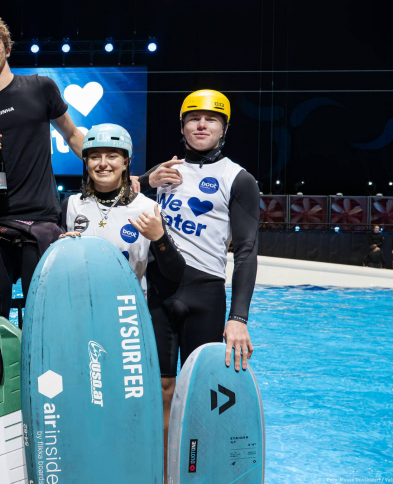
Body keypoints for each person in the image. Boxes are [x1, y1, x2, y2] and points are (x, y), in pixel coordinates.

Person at [137, 90, 259, 469]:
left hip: (205, 295)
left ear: (223, 128)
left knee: (200, 393)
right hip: (159, 291)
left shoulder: (238, 178)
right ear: (182, 127)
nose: (201, 124)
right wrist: (144, 178)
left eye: (211, 119)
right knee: (160, 389)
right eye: (193, 118)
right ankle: (161, 470)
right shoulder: (164, 173)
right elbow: (114, 195)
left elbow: (246, 251)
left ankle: (195, 468)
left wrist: (238, 319)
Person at [0, 13, 85, 321]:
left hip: (39, 218)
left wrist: (117, 172)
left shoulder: (40, 87)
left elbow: (71, 135)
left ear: (7, 47)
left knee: (42, 313)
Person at [59, 124, 185, 292]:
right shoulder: (71, 205)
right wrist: (61, 249)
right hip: (81, 306)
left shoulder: (148, 208)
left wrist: (159, 238)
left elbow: (176, 273)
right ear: (86, 162)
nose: (103, 164)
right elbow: (57, 270)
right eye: (95, 157)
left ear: (125, 162)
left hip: (129, 311)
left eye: (112, 156)